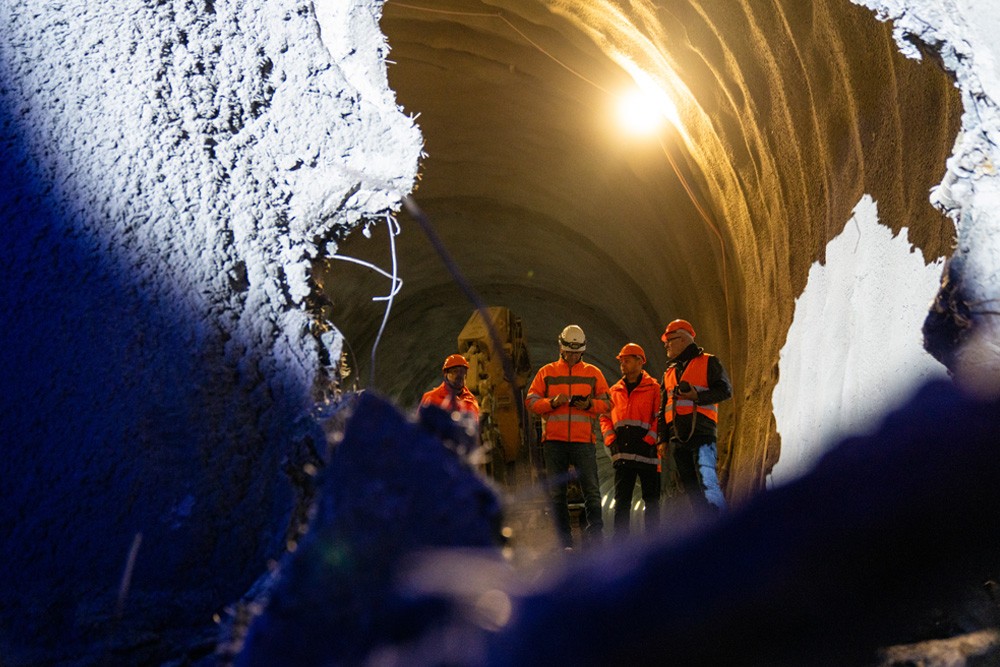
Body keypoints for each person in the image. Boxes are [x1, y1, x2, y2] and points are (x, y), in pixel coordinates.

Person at [525, 325, 610, 549]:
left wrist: (590, 404)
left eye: (577, 352)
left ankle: (596, 539)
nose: (573, 356)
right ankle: (565, 542)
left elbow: (608, 403)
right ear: (561, 349)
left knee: (591, 491)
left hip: (584, 441)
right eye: (570, 352)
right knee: (556, 493)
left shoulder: (593, 373)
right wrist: (552, 402)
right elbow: (531, 401)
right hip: (555, 442)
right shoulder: (547, 372)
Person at [657, 319, 732, 514]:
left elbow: (725, 390)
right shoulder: (669, 373)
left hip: (702, 435)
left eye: (669, 340)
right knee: (692, 490)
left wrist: (697, 397)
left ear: (682, 339)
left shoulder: (709, 362)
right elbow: (663, 407)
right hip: (678, 439)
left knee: (707, 484)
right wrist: (662, 439)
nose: (666, 344)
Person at [600, 343, 662, 537]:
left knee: (651, 501)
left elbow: (659, 418)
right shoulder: (614, 391)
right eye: (621, 361)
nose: (623, 364)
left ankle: (653, 546)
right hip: (623, 455)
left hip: (648, 455)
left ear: (640, 362)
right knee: (622, 503)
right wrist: (611, 440)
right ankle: (622, 546)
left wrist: (649, 441)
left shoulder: (653, 389)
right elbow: (604, 417)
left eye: (627, 360)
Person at [420, 353, 480, 449]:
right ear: (446, 374)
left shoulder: (471, 400)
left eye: (462, 372)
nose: (458, 376)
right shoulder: (431, 398)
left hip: (463, 455)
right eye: (454, 371)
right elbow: (421, 430)